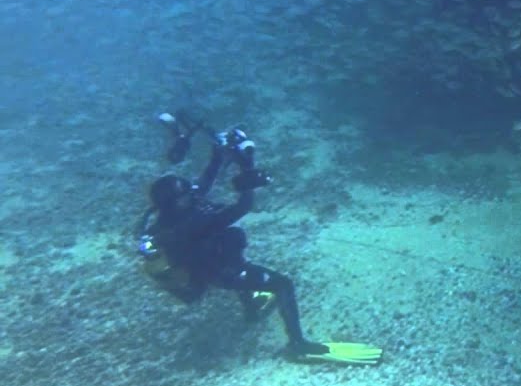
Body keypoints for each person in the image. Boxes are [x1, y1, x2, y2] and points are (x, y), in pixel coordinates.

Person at [137, 112, 381, 365]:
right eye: (187, 196)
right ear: (175, 204)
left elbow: (205, 181)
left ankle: (252, 308)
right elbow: (242, 207)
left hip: (217, 261)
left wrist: (220, 152)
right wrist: (247, 173)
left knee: (231, 245)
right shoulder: (188, 224)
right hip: (220, 272)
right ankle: (298, 346)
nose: (194, 196)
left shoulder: (176, 211)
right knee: (283, 285)